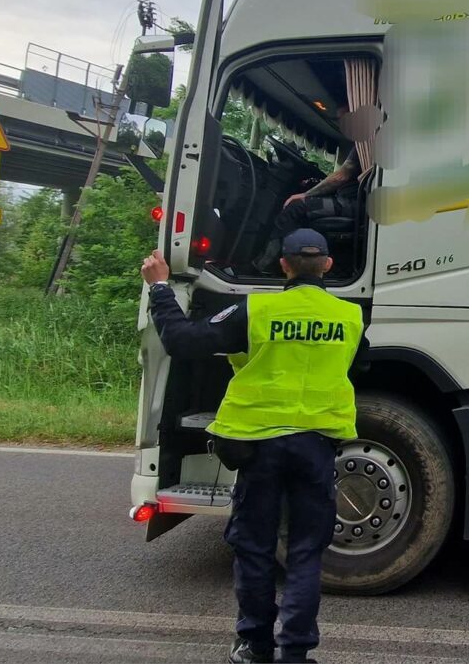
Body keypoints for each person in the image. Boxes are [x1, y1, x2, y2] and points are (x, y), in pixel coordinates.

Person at [141, 229, 365, 664]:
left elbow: (183, 341)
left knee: (255, 547)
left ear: (282, 265)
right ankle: (295, 654)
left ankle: (255, 646)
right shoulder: (350, 317)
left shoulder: (254, 310)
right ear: (329, 266)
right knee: (305, 552)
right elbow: (362, 360)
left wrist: (160, 287)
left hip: (258, 446)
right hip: (316, 447)